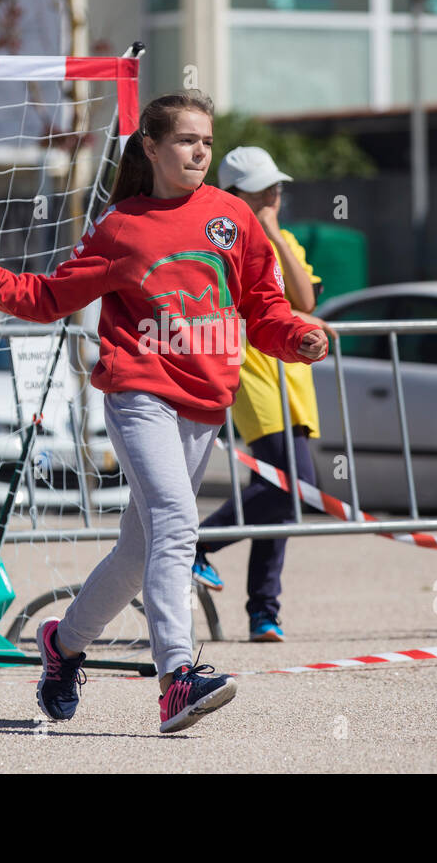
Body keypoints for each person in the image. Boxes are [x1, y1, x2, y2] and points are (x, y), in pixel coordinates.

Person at [0, 91, 328, 734]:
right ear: (151, 147)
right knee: (177, 525)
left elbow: (264, 308)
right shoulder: (122, 227)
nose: (199, 151)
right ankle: (177, 679)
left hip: (204, 401)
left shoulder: (233, 217)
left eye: (206, 140)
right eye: (185, 140)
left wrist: (297, 339)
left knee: (135, 552)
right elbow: (46, 297)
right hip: (137, 392)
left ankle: (62, 645)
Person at [192, 146, 324, 642]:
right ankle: (200, 546)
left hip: (293, 378)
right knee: (290, 485)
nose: (275, 194)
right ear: (234, 196)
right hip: (251, 373)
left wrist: (271, 233)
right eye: (264, 188)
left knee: (287, 497)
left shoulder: (284, 237)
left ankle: (263, 612)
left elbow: (304, 299)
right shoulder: (217, 239)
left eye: (277, 186)